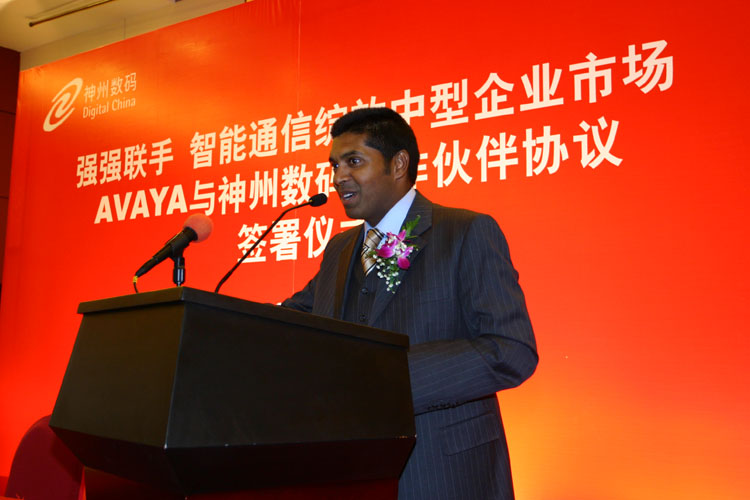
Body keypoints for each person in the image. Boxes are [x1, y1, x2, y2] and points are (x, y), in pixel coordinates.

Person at [282, 107, 537, 499]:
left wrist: (390, 378)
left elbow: (511, 350)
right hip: (349, 475)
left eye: (353, 162)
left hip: (444, 472)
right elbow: (291, 321)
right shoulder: (339, 248)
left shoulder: (465, 232)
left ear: (398, 164)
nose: (338, 177)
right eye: (334, 165)